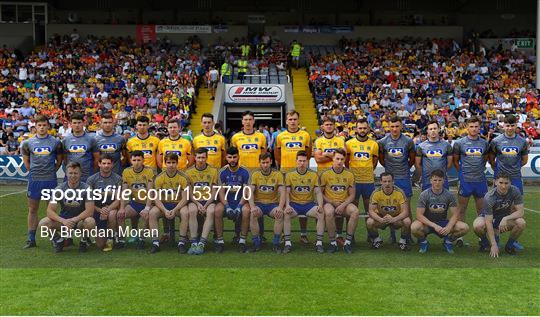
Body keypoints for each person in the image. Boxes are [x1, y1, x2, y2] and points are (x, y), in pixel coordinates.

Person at [21, 115, 63, 248]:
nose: (42, 127)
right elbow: (26, 162)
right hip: (34, 180)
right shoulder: (28, 143)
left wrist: (52, 171)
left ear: (48, 126)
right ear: (35, 127)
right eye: (39, 125)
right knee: (33, 209)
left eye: (44, 125)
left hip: (50, 180)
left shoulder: (55, 142)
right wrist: (35, 172)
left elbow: (59, 161)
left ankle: (54, 238)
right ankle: (31, 239)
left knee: (51, 210)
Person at [37, 162, 96, 253]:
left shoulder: (87, 188)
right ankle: (59, 241)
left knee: (90, 221)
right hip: (64, 222)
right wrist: (63, 221)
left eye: (75, 173)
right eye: (70, 173)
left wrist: (74, 220)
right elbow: (49, 211)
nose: (73, 176)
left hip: (80, 221)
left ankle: (83, 241)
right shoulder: (59, 189)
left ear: (80, 174)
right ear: (66, 174)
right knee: (43, 223)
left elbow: (89, 211)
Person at [274, 110, 312, 244]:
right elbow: (277, 154)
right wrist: (283, 167)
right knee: (284, 203)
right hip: (285, 172)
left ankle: (303, 233)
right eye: (290, 119)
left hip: (301, 173)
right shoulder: (280, 136)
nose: (292, 121)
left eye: (295, 119)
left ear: (298, 120)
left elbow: (308, 153)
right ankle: (285, 234)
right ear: (286, 121)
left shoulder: (305, 135)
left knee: (303, 200)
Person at [411, 169, 469, 254]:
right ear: (431, 181)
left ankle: (448, 241)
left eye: (440, 180)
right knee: (414, 227)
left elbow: (455, 214)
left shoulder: (449, 195)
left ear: (443, 181)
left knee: (464, 227)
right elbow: (419, 215)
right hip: (428, 224)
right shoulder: (424, 194)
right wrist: (434, 225)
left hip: (443, 223)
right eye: (435, 180)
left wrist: (449, 227)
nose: (437, 183)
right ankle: (424, 242)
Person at [378, 116, 416, 243]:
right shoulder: (383, 142)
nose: (394, 129)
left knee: (407, 208)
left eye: (397, 126)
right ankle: (392, 234)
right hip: (390, 178)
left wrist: (404, 168)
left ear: (401, 126)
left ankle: (407, 235)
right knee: (390, 206)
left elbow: (412, 159)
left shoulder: (408, 141)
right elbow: (381, 159)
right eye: (392, 126)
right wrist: (389, 169)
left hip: (404, 177)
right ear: (389, 127)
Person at [452, 116, 489, 246]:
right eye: (471, 126)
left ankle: (481, 237)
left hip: (480, 180)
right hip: (465, 181)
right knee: (461, 209)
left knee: (481, 210)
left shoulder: (484, 143)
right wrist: (462, 173)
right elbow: (456, 161)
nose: (474, 129)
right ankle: (460, 238)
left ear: (480, 128)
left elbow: (485, 159)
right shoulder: (459, 143)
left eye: (476, 126)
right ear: (467, 127)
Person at [473, 173, 526, 257]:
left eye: (506, 183)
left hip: (504, 218)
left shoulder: (515, 191)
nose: (503, 186)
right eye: (501, 183)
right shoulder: (489, 197)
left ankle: (509, 246)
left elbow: (520, 212)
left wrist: (505, 218)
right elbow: (488, 222)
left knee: (521, 222)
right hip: (489, 218)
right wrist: (494, 245)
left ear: (510, 183)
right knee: (477, 225)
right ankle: (486, 244)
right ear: (495, 182)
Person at [283, 151, 325, 253]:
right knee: (286, 213)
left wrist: (320, 205)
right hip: (294, 204)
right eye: (300, 161)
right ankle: (287, 243)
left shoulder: (313, 175)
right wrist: (287, 205)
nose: (302, 163)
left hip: (308, 204)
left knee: (320, 213)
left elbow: (318, 192)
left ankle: (319, 243)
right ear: (296, 161)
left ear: (308, 162)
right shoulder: (289, 175)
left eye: (304, 161)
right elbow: (287, 192)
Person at [148, 152, 190, 254]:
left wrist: (175, 210)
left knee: (185, 213)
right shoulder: (159, 177)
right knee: (152, 213)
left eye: (173, 162)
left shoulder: (183, 177)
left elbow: (185, 198)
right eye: (169, 162)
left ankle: (181, 242)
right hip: (164, 204)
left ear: (177, 163)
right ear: (165, 163)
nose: (171, 165)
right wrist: (165, 210)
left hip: (178, 204)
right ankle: (155, 243)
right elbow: (156, 198)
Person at [320, 148, 359, 253]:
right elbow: (320, 193)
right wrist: (332, 202)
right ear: (333, 158)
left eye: (342, 159)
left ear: (344, 159)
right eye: (337, 158)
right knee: (328, 212)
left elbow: (352, 195)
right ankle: (333, 243)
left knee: (355, 211)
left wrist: (343, 205)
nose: (339, 161)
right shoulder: (325, 174)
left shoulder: (349, 174)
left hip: (344, 203)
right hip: (330, 202)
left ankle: (348, 243)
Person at [346, 118, 378, 241]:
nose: (362, 130)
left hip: (368, 181)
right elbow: (346, 162)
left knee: (370, 210)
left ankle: (371, 235)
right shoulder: (349, 144)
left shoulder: (374, 144)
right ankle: (351, 235)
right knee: (352, 210)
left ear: (368, 129)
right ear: (356, 129)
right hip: (354, 183)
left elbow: (374, 162)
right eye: (360, 128)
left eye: (365, 128)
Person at [246, 152, 286, 253]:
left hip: (272, 205)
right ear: (259, 163)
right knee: (253, 214)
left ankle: (276, 244)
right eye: (263, 163)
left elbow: (282, 192)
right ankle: (256, 244)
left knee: (279, 214)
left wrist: (280, 207)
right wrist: (252, 206)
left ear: (271, 162)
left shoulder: (278, 174)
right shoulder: (255, 174)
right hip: (259, 204)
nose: (265, 165)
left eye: (267, 162)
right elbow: (250, 191)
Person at [214, 146, 251, 253]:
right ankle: (220, 241)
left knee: (246, 211)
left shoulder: (245, 171)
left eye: (235, 157)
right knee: (217, 210)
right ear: (226, 158)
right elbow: (221, 191)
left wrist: (239, 206)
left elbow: (246, 191)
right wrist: (227, 206)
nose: (232, 160)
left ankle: (242, 241)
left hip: (241, 201)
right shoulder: (222, 172)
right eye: (230, 157)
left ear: (238, 157)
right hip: (227, 201)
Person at [117, 150, 155, 249]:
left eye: (139, 160)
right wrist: (121, 208)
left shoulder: (149, 171)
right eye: (134, 160)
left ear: (143, 160)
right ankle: (121, 240)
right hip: (135, 203)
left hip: (148, 203)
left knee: (148, 216)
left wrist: (147, 208)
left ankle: (142, 239)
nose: (136, 162)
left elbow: (151, 191)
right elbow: (124, 191)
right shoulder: (126, 171)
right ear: (131, 160)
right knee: (120, 215)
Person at [185, 148, 219, 255]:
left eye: (203, 157)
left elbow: (214, 192)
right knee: (191, 211)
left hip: (209, 201)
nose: (201, 160)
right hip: (195, 201)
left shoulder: (213, 171)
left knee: (211, 212)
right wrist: (198, 204)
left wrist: (206, 204)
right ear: (195, 158)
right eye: (199, 157)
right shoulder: (189, 172)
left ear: (207, 158)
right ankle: (194, 242)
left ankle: (202, 243)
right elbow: (189, 193)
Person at [86, 154, 122, 251]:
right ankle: (87, 238)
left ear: (112, 165)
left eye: (108, 163)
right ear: (99, 164)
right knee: (100, 245)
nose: (106, 165)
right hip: (96, 209)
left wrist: (107, 209)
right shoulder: (91, 179)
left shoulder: (118, 179)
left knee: (112, 214)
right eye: (104, 163)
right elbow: (88, 200)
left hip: (110, 208)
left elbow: (118, 199)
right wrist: (100, 210)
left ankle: (111, 238)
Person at [367, 172, 411, 251]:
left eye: (389, 181)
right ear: (380, 182)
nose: (387, 184)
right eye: (384, 181)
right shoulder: (376, 193)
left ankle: (402, 241)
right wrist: (380, 219)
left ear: (393, 181)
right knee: (369, 222)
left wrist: (394, 219)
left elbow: (405, 212)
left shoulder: (400, 192)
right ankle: (377, 240)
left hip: (396, 218)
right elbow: (371, 211)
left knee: (407, 221)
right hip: (381, 217)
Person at [488, 115, 529, 194]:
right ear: (503, 126)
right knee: (498, 203)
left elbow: (524, 160)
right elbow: (491, 160)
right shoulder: (496, 141)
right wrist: (497, 170)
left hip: (515, 177)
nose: (510, 128)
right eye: (507, 126)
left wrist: (514, 168)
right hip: (500, 177)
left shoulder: (522, 141)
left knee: (516, 203)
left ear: (516, 125)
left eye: (512, 125)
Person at [415, 120, 453, 191]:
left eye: (435, 128)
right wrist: (425, 174)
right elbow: (417, 164)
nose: (433, 131)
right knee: (427, 201)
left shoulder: (446, 145)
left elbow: (450, 163)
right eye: (431, 129)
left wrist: (442, 172)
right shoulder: (421, 146)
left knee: (443, 201)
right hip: (427, 181)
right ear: (427, 131)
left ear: (438, 129)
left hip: (442, 180)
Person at [62, 112, 99, 182]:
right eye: (74, 123)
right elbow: (65, 159)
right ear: (71, 124)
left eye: (79, 122)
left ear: (83, 123)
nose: (77, 125)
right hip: (70, 176)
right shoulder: (65, 140)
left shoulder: (91, 139)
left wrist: (92, 173)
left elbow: (96, 159)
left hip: (87, 176)